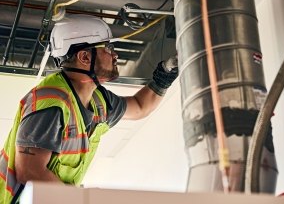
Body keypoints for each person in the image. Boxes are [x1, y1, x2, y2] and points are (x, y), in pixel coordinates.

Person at [0, 14, 178, 203]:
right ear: (84, 56)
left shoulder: (99, 101)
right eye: (108, 48)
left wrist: (165, 75)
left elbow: (141, 107)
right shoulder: (51, 102)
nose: (115, 54)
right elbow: (30, 172)